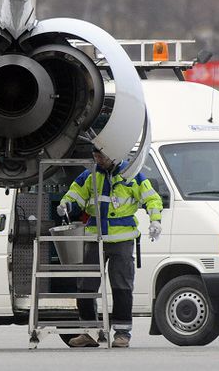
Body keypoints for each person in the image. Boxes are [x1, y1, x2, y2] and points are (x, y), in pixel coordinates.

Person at [56, 147, 162, 348]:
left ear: (113, 154)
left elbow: (152, 198)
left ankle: (122, 334)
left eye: (101, 156)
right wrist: (65, 205)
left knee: (121, 287)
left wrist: (155, 220)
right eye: (95, 156)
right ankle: (89, 332)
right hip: (95, 238)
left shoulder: (131, 175)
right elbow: (74, 194)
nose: (98, 159)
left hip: (122, 240)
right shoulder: (89, 175)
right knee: (86, 287)